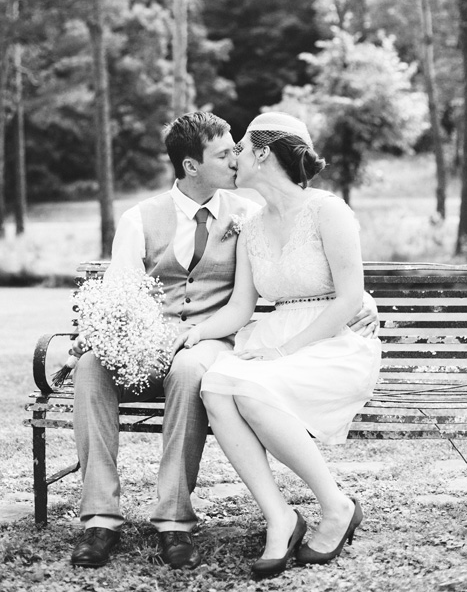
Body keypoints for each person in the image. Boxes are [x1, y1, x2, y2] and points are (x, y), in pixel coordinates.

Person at [70, 111, 378, 571]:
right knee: (91, 366)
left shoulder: (249, 212)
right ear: (191, 165)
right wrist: (107, 334)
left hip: (216, 342)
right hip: (155, 340)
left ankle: (174, 520)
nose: (235, 159)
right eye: (222, 153)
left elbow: (314, 256)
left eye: (238, 149)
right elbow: (120, 294)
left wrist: (362, 300)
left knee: (194, 369)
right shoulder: (143, 218)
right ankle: (100, 519)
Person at [174, 112, 382, 578]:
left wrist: (285, 351)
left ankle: (335, 506)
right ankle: (280, 516)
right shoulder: (250, 225)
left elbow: (349, 297)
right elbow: (240, 309)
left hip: (335, 341)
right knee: (216, 386)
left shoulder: (328, 210)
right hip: (274, 337)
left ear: (264, 153)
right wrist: (197, 332)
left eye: (241, 148)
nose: (234, 157)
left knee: (246, 387)